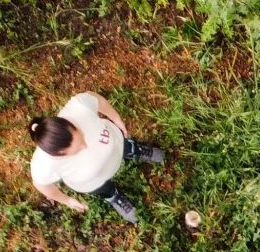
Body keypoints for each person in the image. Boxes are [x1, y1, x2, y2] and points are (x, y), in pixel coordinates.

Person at [27, 91, 166, 224]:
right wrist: (67, 201)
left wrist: (116, 119)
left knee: (126, 146)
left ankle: (135, 150)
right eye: (77, 150)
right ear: (58, 156)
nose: (85, 146)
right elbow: (41, 184)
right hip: (94, 181)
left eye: (80, 136)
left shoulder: (79, 107)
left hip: (116, 145)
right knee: (104, 189)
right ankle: (114, 196)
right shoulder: (44, 165)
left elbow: (97, 99)